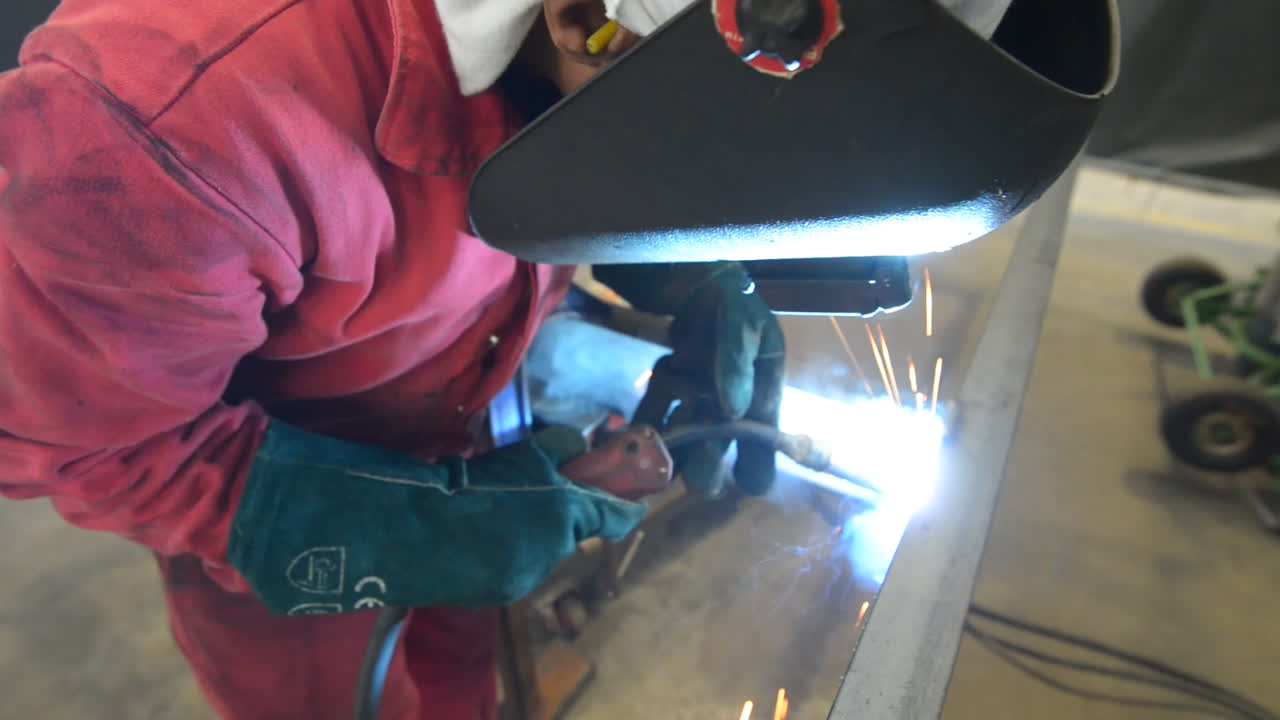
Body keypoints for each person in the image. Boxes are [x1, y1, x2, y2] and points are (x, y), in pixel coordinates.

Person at [0, 0, 1014, 718]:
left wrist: (686, 276)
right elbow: (112, 453)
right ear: (582, 18)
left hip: (479, 410)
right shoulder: (148, 128)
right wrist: (433, 525)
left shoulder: (570, 64)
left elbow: (566, 177)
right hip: (270, 508)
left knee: (459, 666)